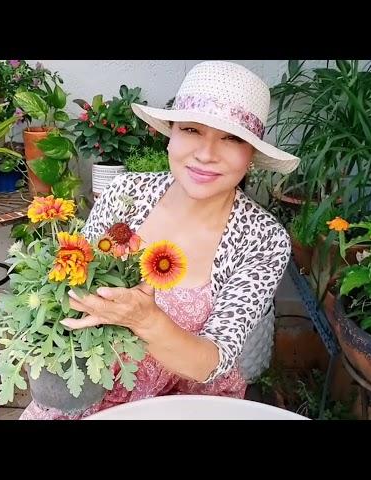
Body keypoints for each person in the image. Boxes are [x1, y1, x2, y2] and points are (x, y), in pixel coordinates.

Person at [20, 60, 300, 420]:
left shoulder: (262, 239)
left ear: (252, 155)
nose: (206, 154)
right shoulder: (127, 193)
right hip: (89, 388)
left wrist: (146, 320)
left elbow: (211, 363)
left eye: (231, 138)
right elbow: (75, 282)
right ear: (170, 133)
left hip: (187, 405)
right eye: (191, 130)